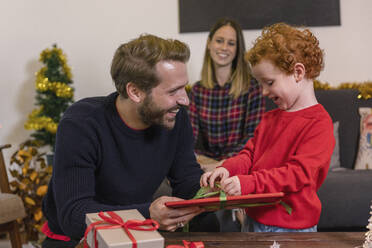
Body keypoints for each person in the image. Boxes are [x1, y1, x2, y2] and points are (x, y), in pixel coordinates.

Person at [41, 34, 217, 248]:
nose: (185, 100)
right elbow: (74, 216)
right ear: (135, 91)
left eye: (184, 88)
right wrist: (148, 213)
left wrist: (212, 191)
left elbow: (187, 179)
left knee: (210, 222)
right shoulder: (81, 124)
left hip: (139, 231)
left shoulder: (174, 118)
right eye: (173, 91)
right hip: (77, 239)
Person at [201, 23, 335, 232]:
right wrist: (227, 168)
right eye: (260, 84)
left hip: (293, 228)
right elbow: (249, 155)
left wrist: (249, 183)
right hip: (254, 221)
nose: (263, 92)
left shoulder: (319, 123)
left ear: (298, 72)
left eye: (269, 82)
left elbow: (296, 174)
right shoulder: (270, 118)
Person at [188, 18, 265, 172]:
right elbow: (190, 137)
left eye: (231, 43)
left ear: (237, 49)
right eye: (219, 41)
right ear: (209, 44)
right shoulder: (197, 90)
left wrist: (222, 165)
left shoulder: (252, 88)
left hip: (240, 162)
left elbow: (253, 137)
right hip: (205, 162)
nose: (224, 47)